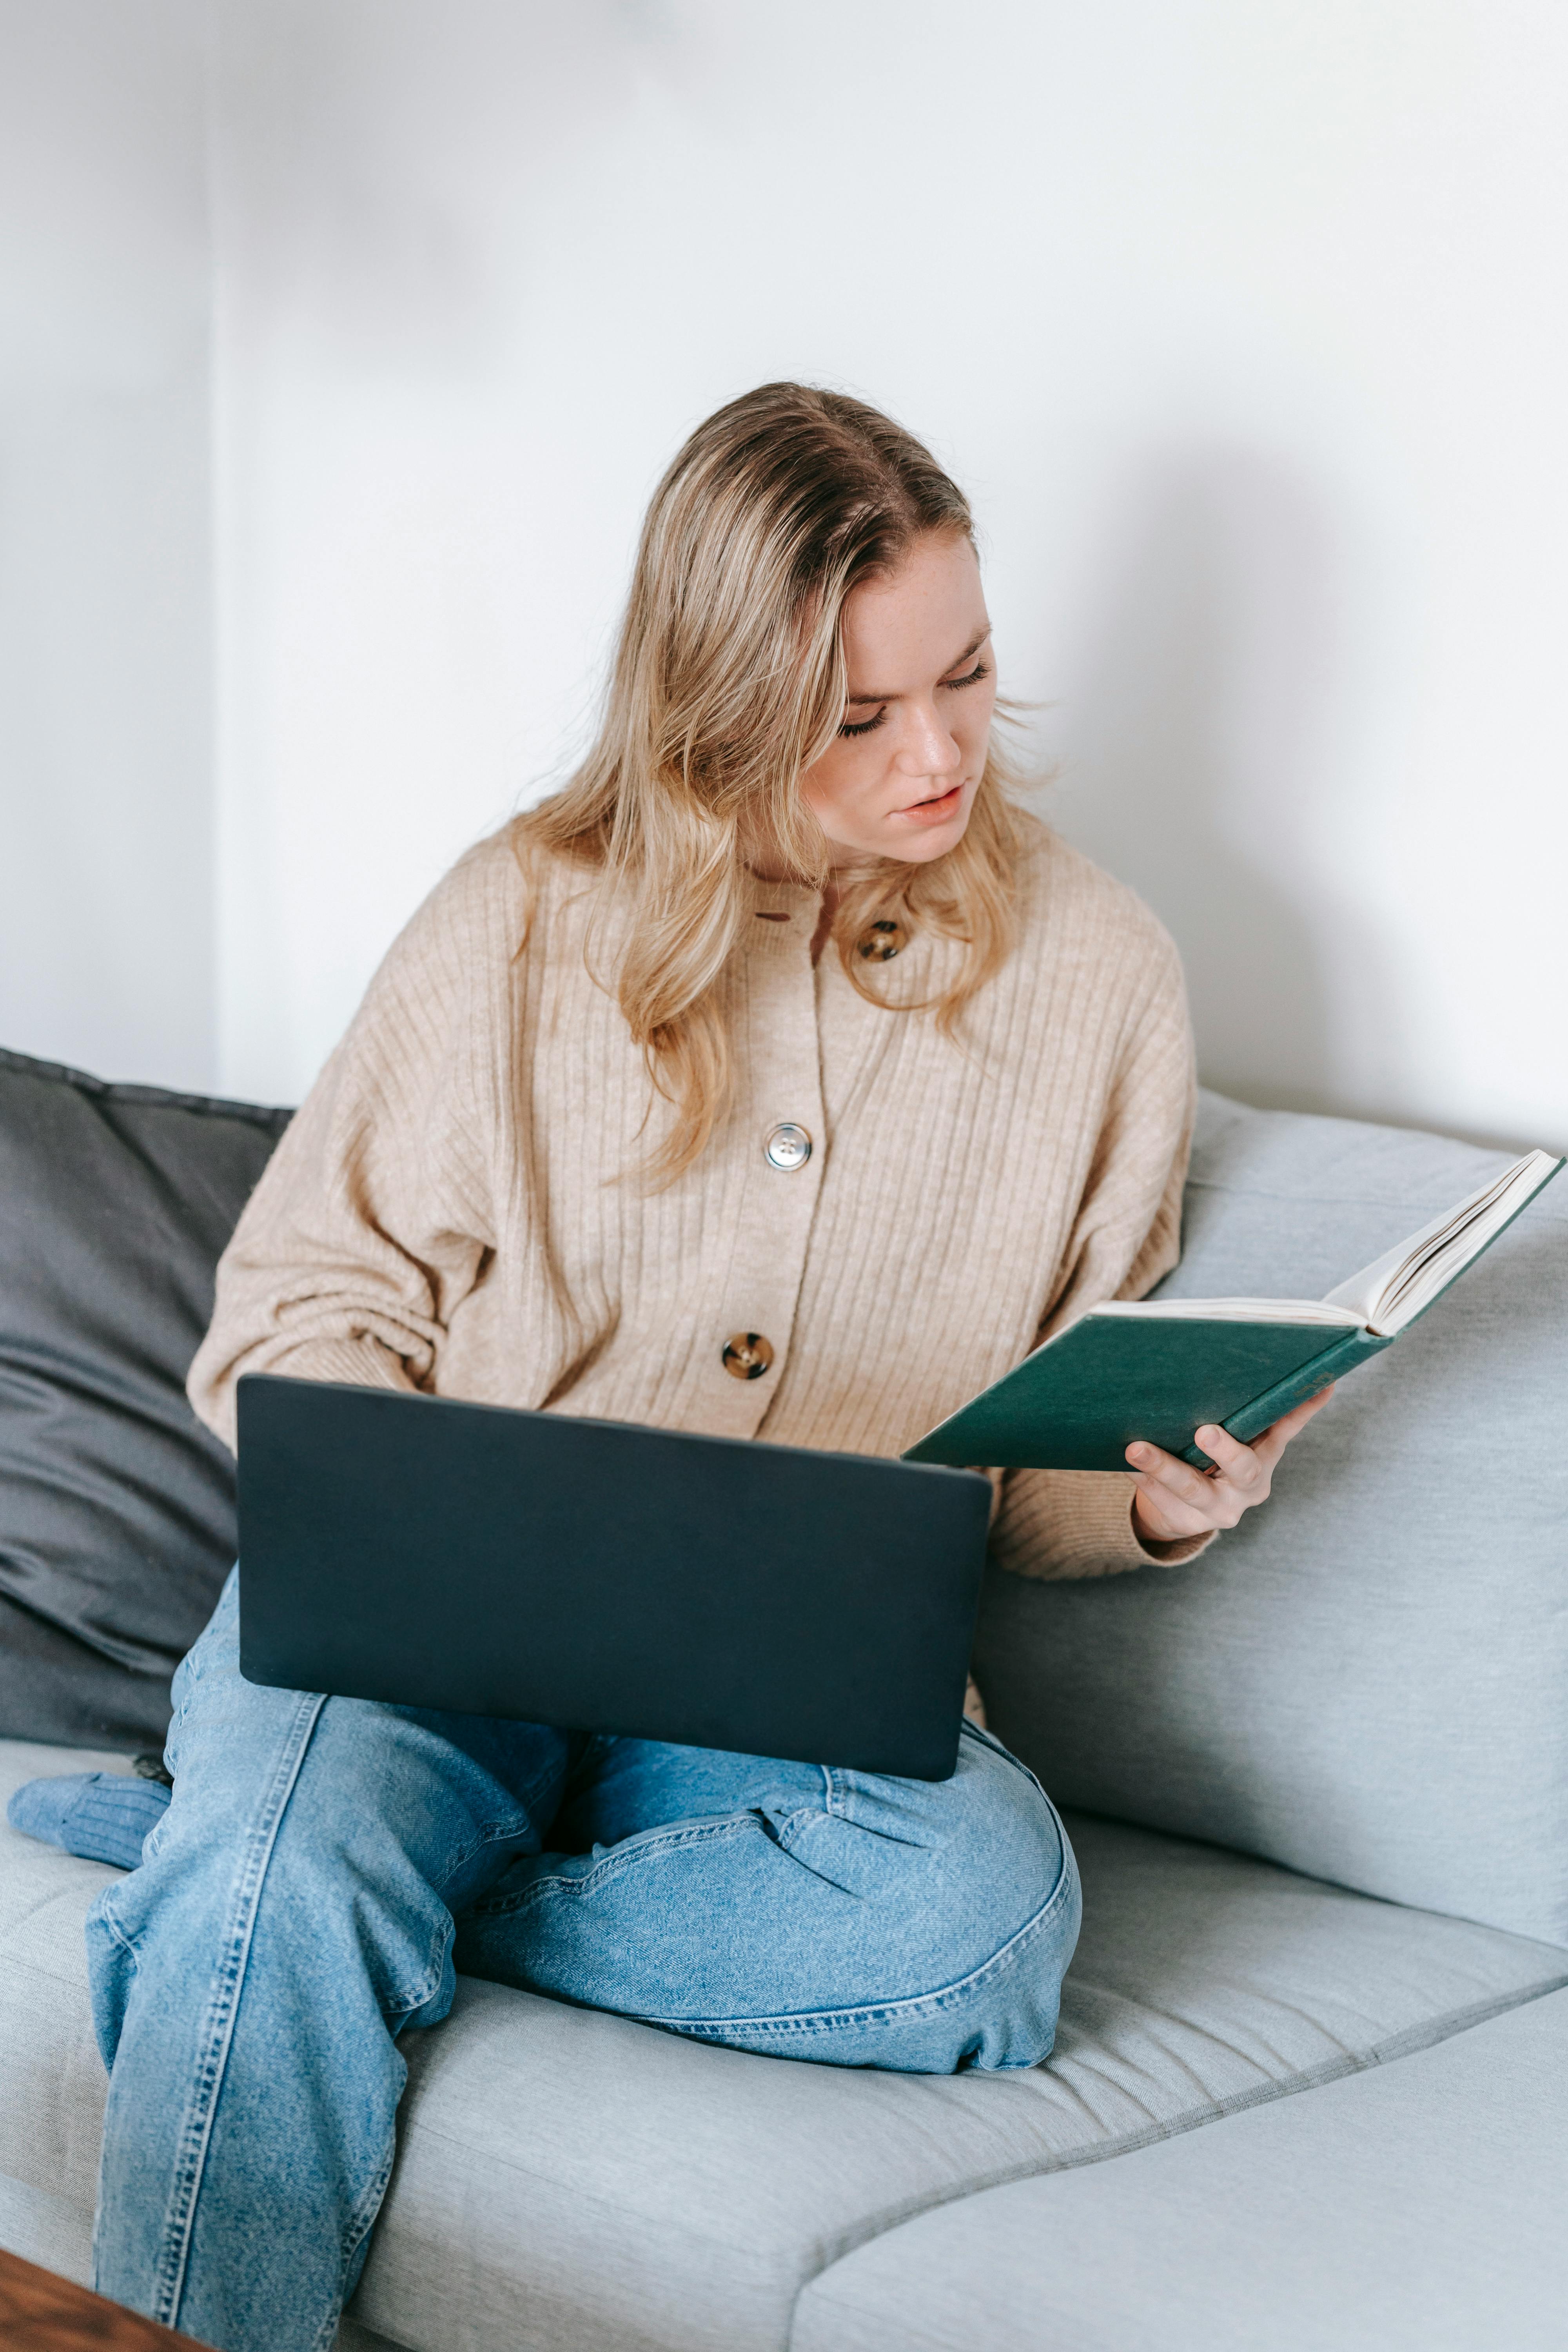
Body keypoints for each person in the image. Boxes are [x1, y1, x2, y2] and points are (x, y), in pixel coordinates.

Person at [9, 383, 1329, 2351]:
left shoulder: (1097, 974)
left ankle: (309, 1878)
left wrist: (1141, 1496)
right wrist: (429, 1488)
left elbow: (1031, 1449)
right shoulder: (517, 924)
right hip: (426, 1635)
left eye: (965, 678)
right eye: (861, 717)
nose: (942, 755)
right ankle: (283, 1864)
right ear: (713, 705)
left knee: (978, 1930)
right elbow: (289, 1316)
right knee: (283, 1887)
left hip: (783, 1698)